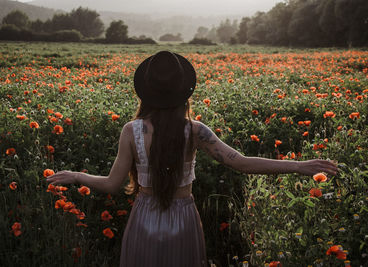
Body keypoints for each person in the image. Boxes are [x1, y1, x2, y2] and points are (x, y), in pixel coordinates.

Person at [47, 51, 338, 267]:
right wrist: (299, 166)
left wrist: (76, 175)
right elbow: (241, 162)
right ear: (184, 92)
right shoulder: (195, 131)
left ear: (146, 93)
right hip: (183, 218)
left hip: (144, 218)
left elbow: (112, 184)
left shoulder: (131, 131)